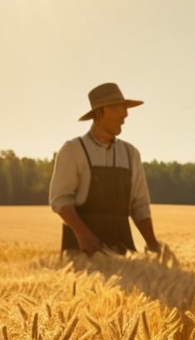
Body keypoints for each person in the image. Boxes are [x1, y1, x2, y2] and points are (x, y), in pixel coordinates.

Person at [49, 82, 161, 255]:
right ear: (100, 112)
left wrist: (153, 244)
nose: (125, 115)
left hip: (122, 250)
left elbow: (139, 204)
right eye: (119, 108)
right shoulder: (73, 150)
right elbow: (60, 200)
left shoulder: (130, 154)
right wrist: (84, 235)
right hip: (81, 253)